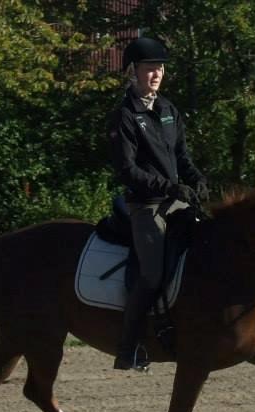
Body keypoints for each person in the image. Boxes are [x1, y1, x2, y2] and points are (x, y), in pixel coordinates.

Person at [107, 36, 209, 371]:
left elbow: (182, 156)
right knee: (152, 275)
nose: (156, 74)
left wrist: (197, 180)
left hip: (177, 200)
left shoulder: (168, 110)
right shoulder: (124, 116)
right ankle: (129, 347)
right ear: (132, 72)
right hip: (146, 206)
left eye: (160, 68)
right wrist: (169, 186)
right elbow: (127, 170)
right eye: (149, 69)